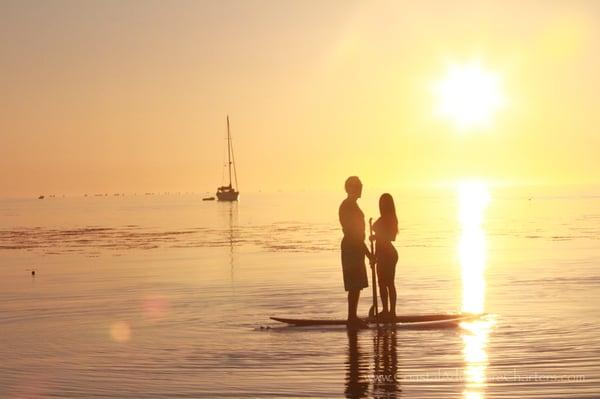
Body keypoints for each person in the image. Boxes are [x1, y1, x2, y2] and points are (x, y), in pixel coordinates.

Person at [339, 176, 374, 328]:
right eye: (358, 186)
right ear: (350, 188)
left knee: (357, 285)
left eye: (361, 186)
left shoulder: (352, 205)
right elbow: (354, 234)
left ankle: (352, 316)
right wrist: (368, 254)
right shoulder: (348, 206)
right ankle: (351, 318)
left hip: (355, 246)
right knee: (354, 284)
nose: (361, 189)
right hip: (352, 247)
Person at [371, 193, 399, 321]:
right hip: (382, 253)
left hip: (388, 254)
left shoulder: (390, 219)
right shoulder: (384, 218)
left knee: (388, 283)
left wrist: (376, 236)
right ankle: (386, 310)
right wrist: (375, 257)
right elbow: (379, 241)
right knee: (382, 284)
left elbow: (389, 237)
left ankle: (391, 312)